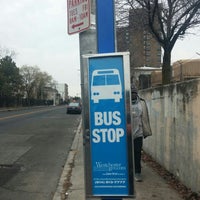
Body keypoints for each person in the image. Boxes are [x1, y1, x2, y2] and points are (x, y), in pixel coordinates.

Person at [131, 84, 152, 182]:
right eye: (131, 93)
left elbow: (145, 118)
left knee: (137, 153)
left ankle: (137, 172)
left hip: (138, 133)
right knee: (127, 154)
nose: (133, 95)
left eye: (134, 93)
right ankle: (129, 170)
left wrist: (146, 130)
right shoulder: (123, 103)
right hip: (126, 134)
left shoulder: (142, 103)